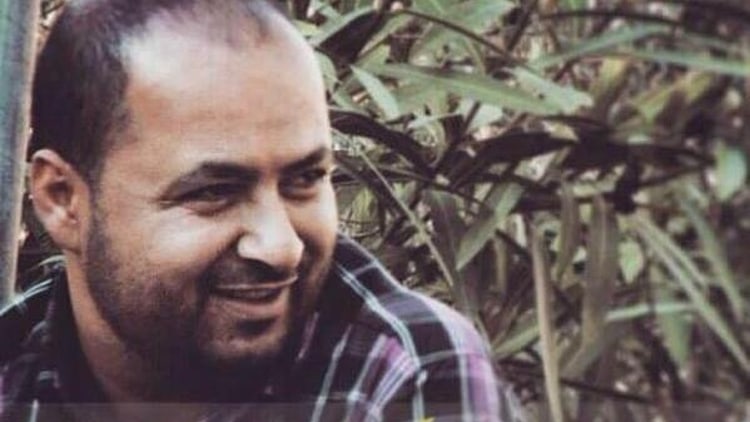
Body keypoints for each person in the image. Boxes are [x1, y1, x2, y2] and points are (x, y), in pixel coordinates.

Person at [0, 0, 524, 421]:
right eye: (214, 192)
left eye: (304, 180)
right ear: (62, 199)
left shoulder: (401, 373)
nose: (282, 247)